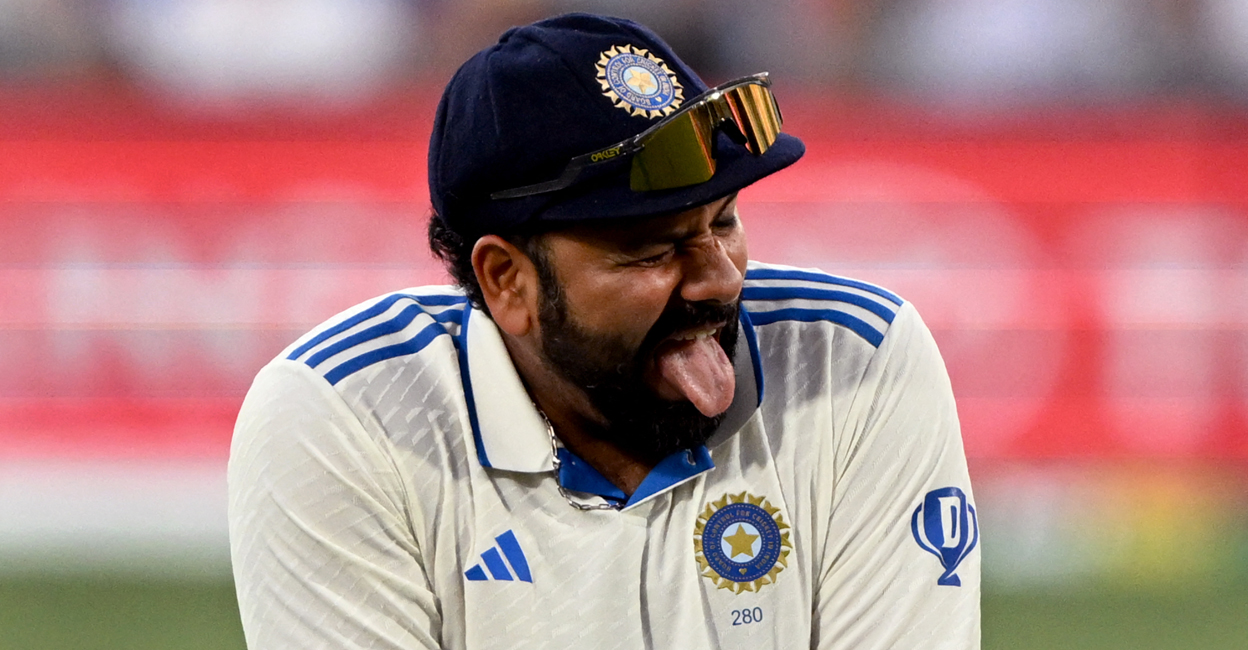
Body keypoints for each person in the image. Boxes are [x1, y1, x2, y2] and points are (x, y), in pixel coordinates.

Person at [228, 13, 980, 650]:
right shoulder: (344, 416)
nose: (719, 278)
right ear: (507, 282)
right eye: (653, 251)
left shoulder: (857, 359)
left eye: (724, 221)